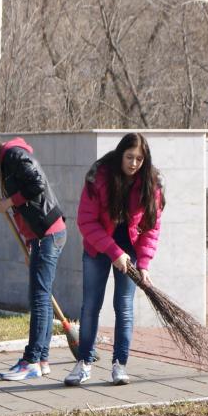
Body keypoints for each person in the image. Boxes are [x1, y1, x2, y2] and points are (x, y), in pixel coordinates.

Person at [0, 134, 66, 381]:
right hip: (42, 235)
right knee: (43, 296)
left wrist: (10, 201)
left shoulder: (15, 156)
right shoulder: (8, 161)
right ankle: (42, 359)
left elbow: (36, 184)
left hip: (48, 233)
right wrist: (31, 244)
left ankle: (30, 361)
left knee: (39, 298)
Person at [65, 133, 164, 386]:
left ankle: (120, 365)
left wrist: (143, 263)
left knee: (124, 307)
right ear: (120, 154)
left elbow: (151, 228)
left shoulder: (150, 185)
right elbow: (86, 222)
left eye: (139, 159)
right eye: (129, 157)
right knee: (91, 306)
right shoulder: (99, 177)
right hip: (98, 248)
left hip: (129, 251)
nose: (133, 163)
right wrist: (114, 252)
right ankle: (84, 363)